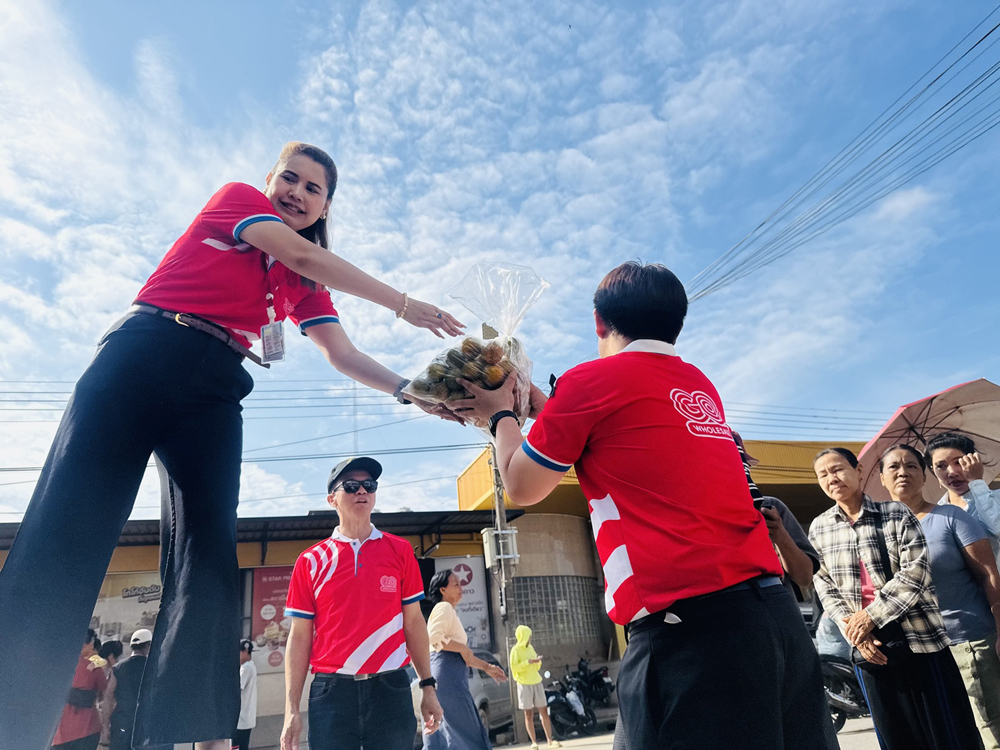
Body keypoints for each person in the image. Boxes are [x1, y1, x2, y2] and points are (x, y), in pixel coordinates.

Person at [0, 141, 464, 750]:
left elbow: (341, 351)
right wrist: (405, 305)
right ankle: (10, 720)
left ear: (326, 204)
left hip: (216, 389)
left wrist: (414, 392)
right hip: (145, 353)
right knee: (69, 527)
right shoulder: (238, 203)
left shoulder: (299, 280)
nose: (297, 193)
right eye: (289, 179)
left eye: (313, 189)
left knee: (209, 553)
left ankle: (197, 730)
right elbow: (302, 251)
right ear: (268, 182)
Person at [453, 261, 833, 749]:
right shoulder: (697, 383)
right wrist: (547, 406)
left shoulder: (590, 381)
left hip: (690, 635)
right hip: (773, 619)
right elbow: (619, 440)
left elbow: (521, 486)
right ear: (677, 321)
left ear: (598, 322)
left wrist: (500, 415)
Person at [809, 446, 980, 750]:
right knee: (896, 735)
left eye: (837, 469)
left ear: (859, 471)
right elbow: (823, 586)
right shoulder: (819, 528)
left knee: (949, 733)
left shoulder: (895, 513)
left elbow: (915, 573)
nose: (832, 478)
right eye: (823, 474)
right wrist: (854, 630)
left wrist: (869, 616)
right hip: (869, 649)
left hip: (921, 641)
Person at [281, 457, 443, 750]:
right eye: (351, 486)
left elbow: (414, 623)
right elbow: (300, 636)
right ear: (332, 499)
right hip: (331, 692)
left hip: (390, 687)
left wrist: (427, 686)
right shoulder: (310, 561)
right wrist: (291, 709)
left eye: (369, 485)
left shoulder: (400, 550)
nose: (362, 491)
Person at [880, 443, 1000, 749]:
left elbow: (988, 575)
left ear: (924, 477)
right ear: (881, 478)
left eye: (911, 465)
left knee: (992, 730)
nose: (903, 472)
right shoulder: (879, 532)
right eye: (893, 466)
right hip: (916, 652)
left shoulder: (952, 518)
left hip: (967, 641)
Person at [424, 570, 506, 750]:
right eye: (456, 584)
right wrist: (462, 647)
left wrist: (487, 666)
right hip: (447, 675)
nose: (461, 588)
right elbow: (433, 637)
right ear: (443, 590)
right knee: (464, 727)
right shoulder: (443, 608)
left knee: (449, 729)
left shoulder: (449, 612)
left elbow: (465, 656)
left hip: (449, 673)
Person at [927, 431, 1000, 563]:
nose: (952, 472)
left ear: (974, 461)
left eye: (958, 462)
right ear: (933, 471)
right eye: (941, 466)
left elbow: (997, 528)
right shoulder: (937, 514)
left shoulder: (996, 498)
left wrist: (976, 481)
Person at [52, 629, 107, 750]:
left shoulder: (55, 666)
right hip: (87, 730)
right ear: (88, 644)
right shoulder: (94, 668)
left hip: (58, 734)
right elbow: (103, 694)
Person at [508, 625, 560, 750]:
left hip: (536, 682)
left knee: (544, 711)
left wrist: (537, 661)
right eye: (528, 636)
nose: (530, 638)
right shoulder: (515, 650)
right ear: (523, 636)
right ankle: (534, 742)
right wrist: (528, 662)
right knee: (528, 714)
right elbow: (514, 668)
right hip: (523, 683)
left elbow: (537, 666)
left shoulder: (531, 648)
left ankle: (550, 740)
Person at [102, 629, 152, 750]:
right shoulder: (153, 668)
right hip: (146, 724)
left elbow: (108, 696)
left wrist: (105, 725)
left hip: (122, 722)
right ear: (148, 645)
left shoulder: (118, 668)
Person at [234, 640, 257, 750]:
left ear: (246, 651)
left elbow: (237, 688)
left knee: (237, 746)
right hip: (246, 718)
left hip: (241, 719)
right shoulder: (250, 666)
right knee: (243, 746)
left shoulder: (246, 668)